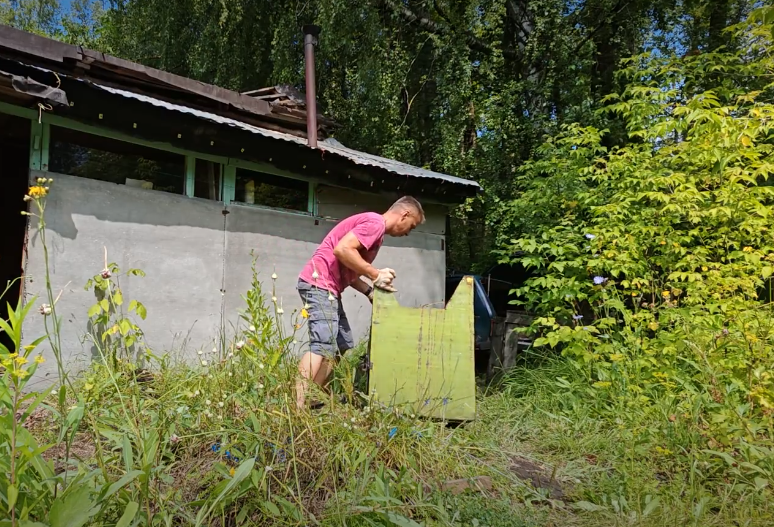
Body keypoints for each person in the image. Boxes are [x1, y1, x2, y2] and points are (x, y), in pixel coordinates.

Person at [295, 196, 425, 409]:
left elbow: (351, 268)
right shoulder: (375, 223)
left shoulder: (376, 232)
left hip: (329, 289)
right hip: (318, 284)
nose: (408, 232)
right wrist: (375, 274)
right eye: (411, 226)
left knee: (341, 344)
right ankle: (297, 408)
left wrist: (370, 292)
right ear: (405, 215)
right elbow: (343, 250)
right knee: (322, 345)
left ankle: (312, 397)